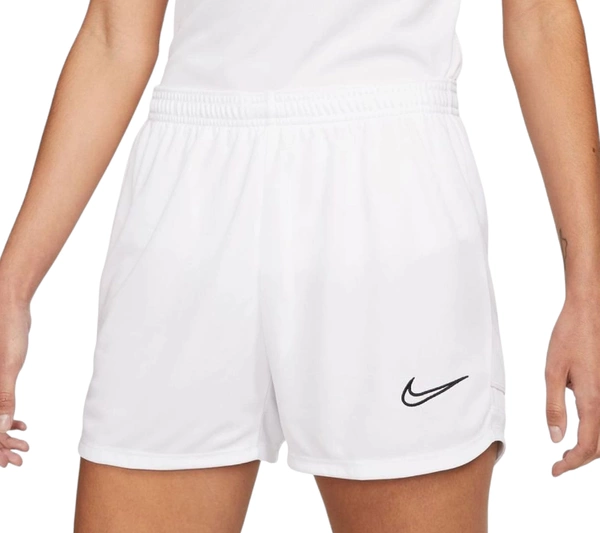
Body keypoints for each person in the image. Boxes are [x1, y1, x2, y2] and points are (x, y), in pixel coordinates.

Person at [1, 0, 599, 531]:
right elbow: (114, 35)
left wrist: (589, 293)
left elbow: (542, 16)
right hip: (187, 198)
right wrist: (11, 289)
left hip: (389, 187)